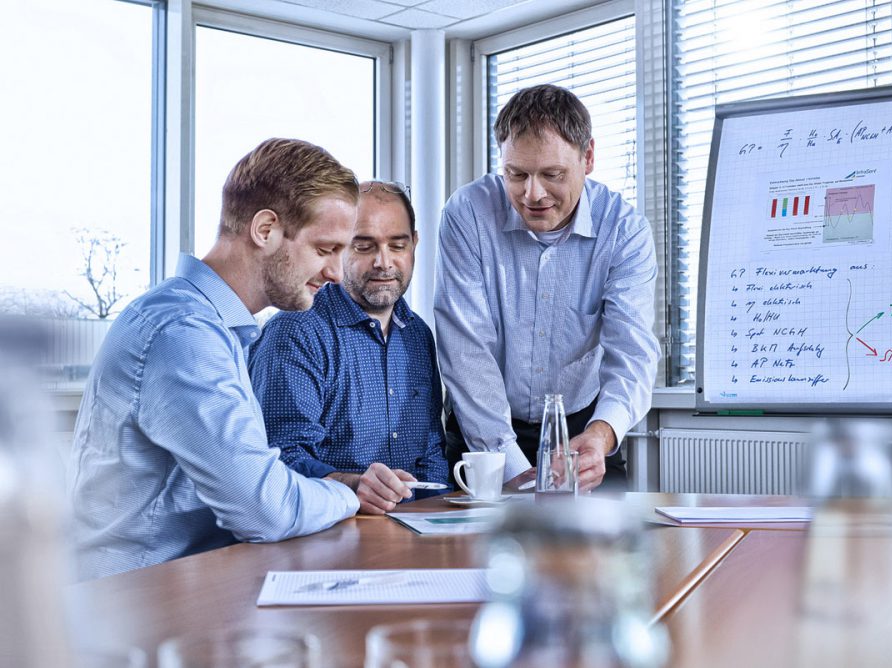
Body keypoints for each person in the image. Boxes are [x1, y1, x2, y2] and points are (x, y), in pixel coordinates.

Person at [70, 138, 361, 579]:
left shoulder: (217, 327)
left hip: (186, 582)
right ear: (265, 230)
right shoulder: (183, 333)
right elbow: (265, 510)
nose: (336, 275)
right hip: (134, 598)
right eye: (324, 250)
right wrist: (347, 496)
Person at [434, 84, 659, 493]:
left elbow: (632, 352)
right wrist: (515, 471)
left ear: (588, 157)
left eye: (552, 175)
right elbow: (466, 349)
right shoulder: (467, 213)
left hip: (581, 430)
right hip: (483, 428)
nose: (531, 194)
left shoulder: (624, 232)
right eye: (515, 174)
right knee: (476, 552)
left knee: (602, 553)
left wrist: (602, 435)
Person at [249, 181, 449, 515]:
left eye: (397, 245)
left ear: (414, 243)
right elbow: (280, 459)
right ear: (338, 247)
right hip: (326, 533)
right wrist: (354, 486)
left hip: (416, 534)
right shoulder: (296, 331)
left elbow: (431, 455)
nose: (383, 262)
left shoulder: (418, 336)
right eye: (365, 246)